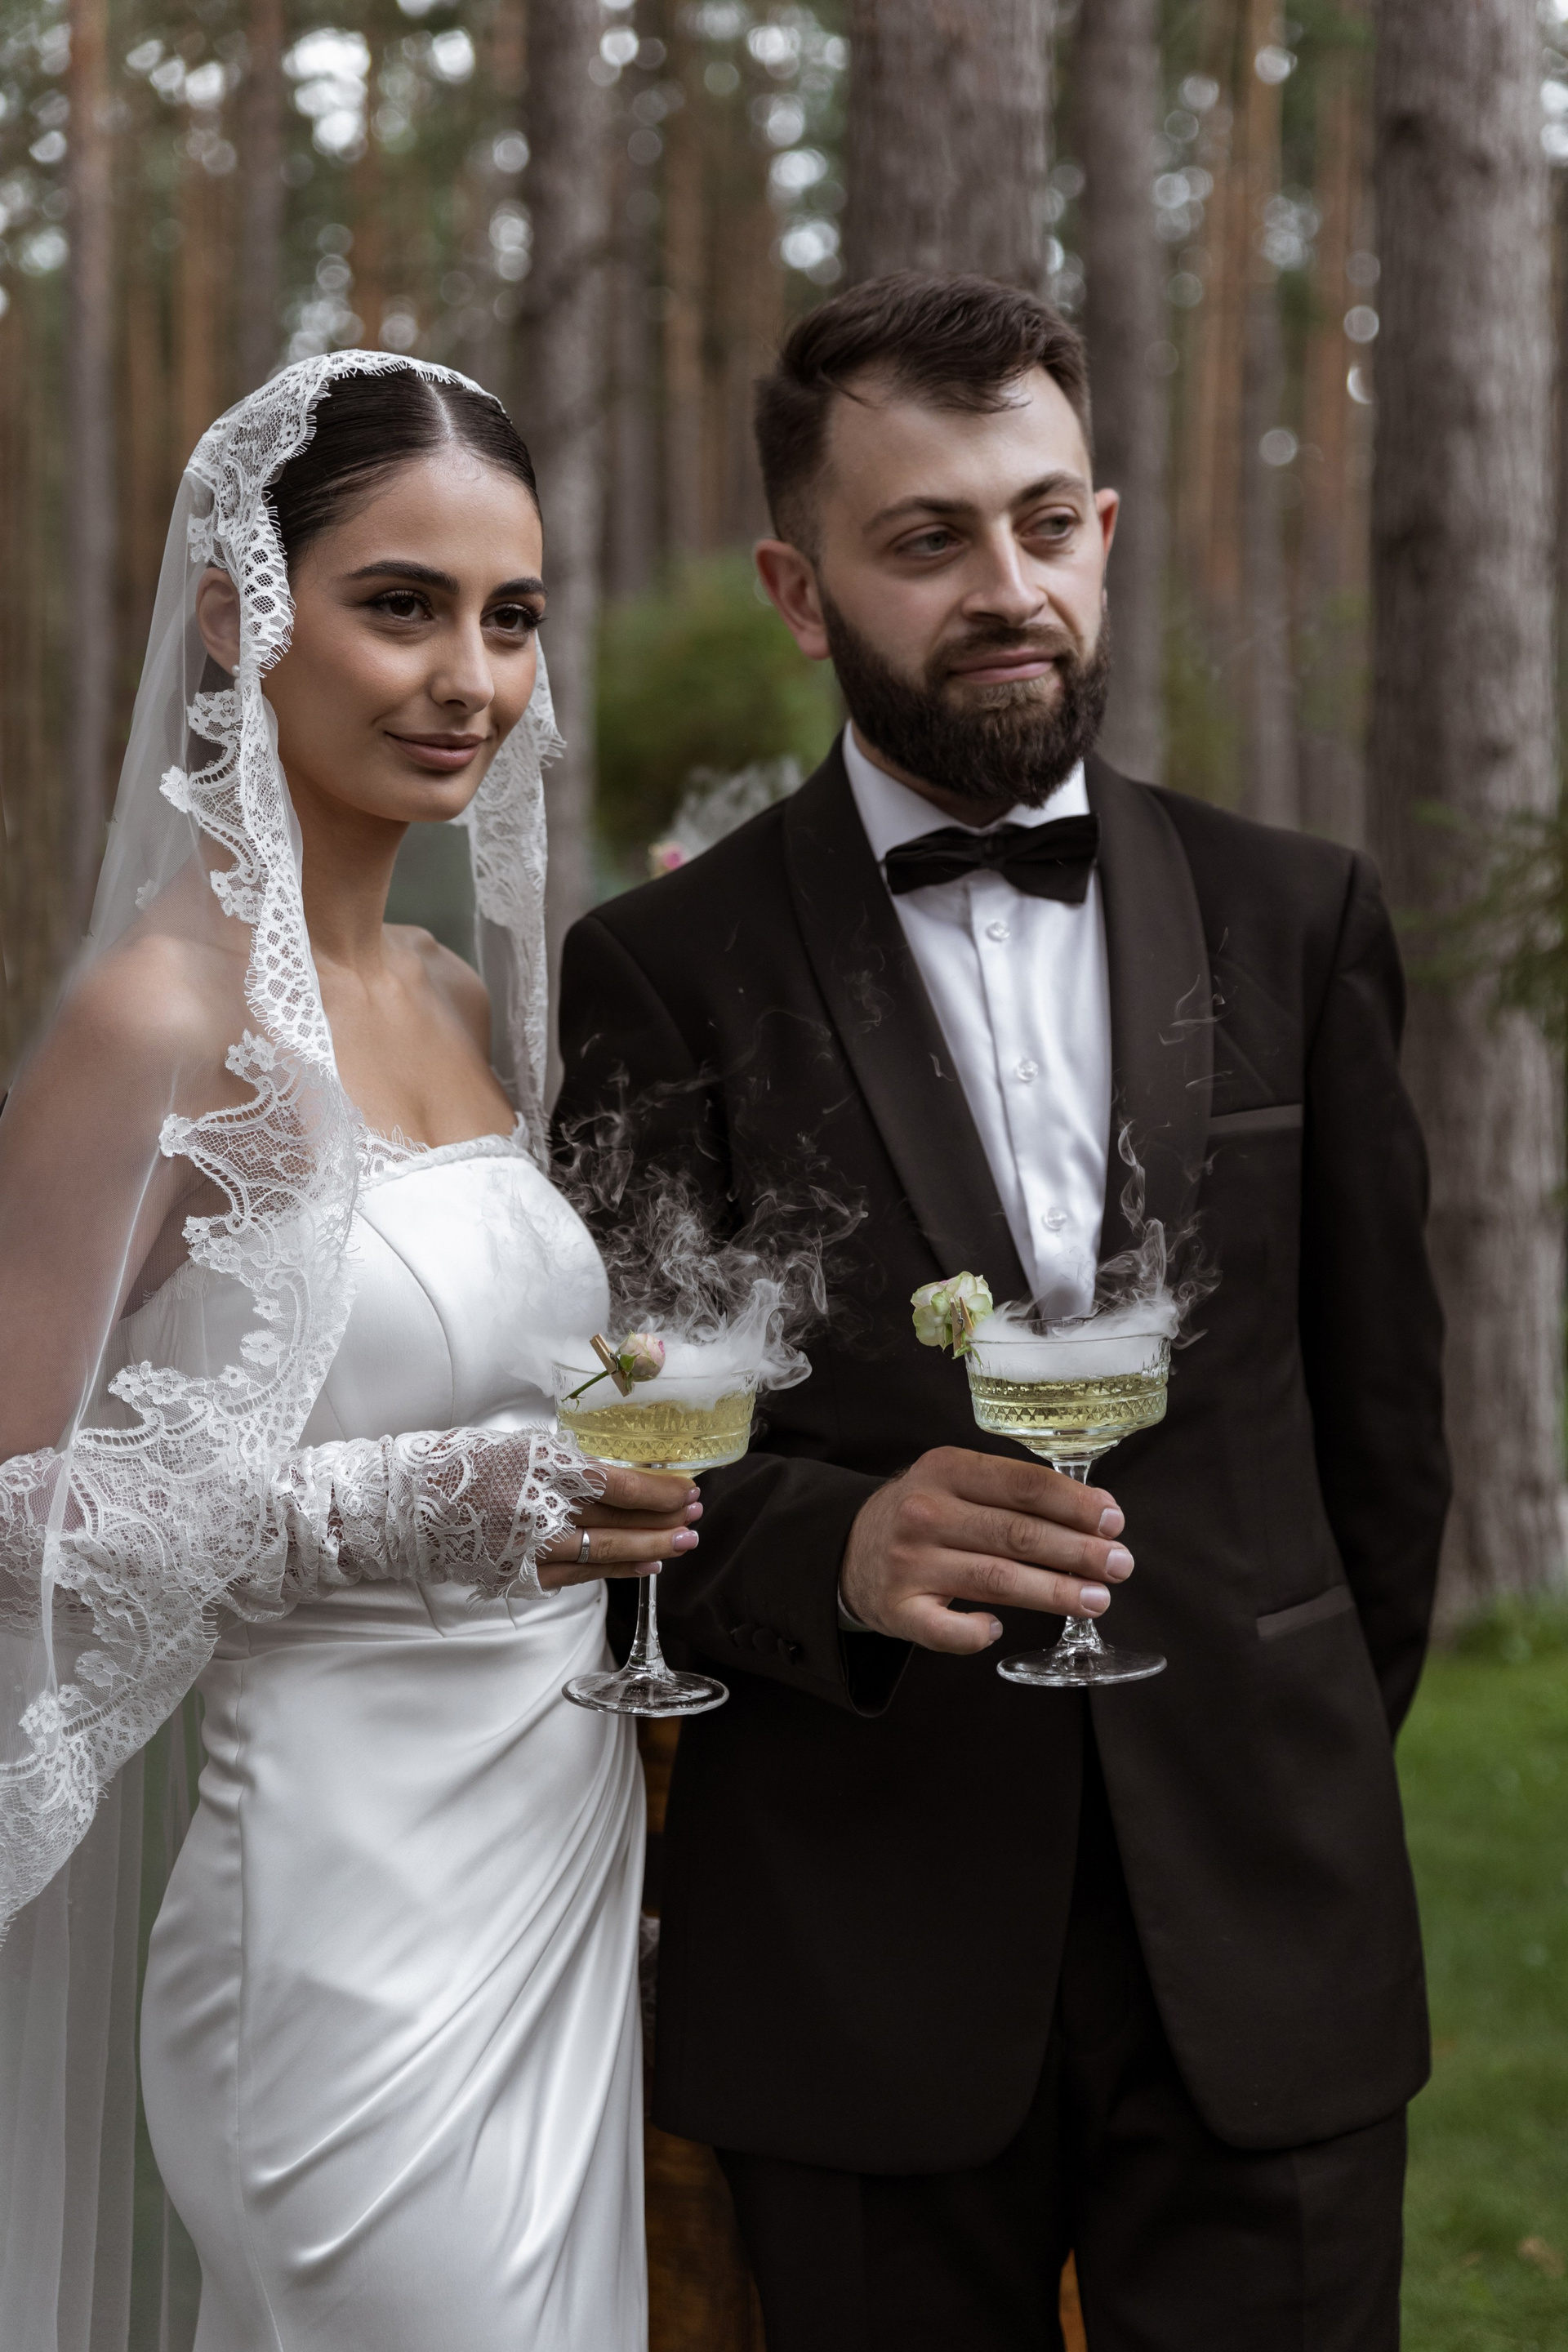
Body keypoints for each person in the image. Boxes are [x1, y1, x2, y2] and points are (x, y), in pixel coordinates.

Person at [555, 274, 1450, 2350]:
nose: (1008, 589)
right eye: (927, 540)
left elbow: (1386, 1450)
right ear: (800, 590)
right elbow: (623, 1457)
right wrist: (837, 1548)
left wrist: (1281, 1753)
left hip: (1266, 1920)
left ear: (1105, 532)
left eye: (1047, 524)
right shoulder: (661, 971)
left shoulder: (1301, 915)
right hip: (862, 1946)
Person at [0, 354, 693, 2348]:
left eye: (510, 617)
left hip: (555, 1870)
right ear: (240, 614)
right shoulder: (157, 1017)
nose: (469, 678)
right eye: (401, 606)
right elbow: (11, 1503)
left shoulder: (463, 996)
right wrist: (393, 1509)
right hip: (339, 1937)